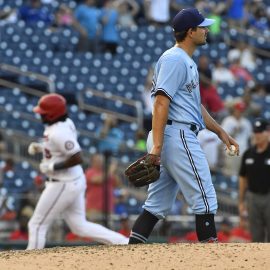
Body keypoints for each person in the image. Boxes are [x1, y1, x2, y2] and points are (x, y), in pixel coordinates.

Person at [128, 8, 239, 245]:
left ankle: (131, 254)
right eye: (202, 27)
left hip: (171, 134)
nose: (207, 30)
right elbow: (160, 103)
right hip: (174, 135)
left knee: (156, 205)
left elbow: (194, 106)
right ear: (190, 32)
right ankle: (212, 259)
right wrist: (157, 147)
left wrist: (220, 132)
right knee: (206, 199)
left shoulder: (184, 60)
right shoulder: (174, 59)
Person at [26, 93, 128, 249]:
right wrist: (42, 147)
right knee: (79, 226)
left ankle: (30, 263)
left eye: (44, 113)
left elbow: (77, 157)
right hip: (73, 180)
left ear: (52, 114)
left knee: (37, 225)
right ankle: (123, 242)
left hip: (63, 183)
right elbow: (58, 147)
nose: (41, 115)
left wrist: (53, 167)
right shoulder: (64, 123)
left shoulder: (59, 132)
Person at [238, 117, 270, 242]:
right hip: (253, 197)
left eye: (260, 132)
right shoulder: (248, 154)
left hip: (268, 195)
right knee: (256, 236)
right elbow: (242, 178)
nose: (257, 135)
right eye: (255, 132)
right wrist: (241, 202)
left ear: (267, 132)